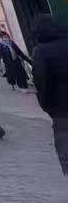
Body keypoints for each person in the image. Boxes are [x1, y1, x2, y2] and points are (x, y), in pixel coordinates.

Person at [33, 16, 68, 176]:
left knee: (64, 136)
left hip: (60, 107)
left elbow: (42, 82)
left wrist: (47, 105)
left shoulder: (41, 51)